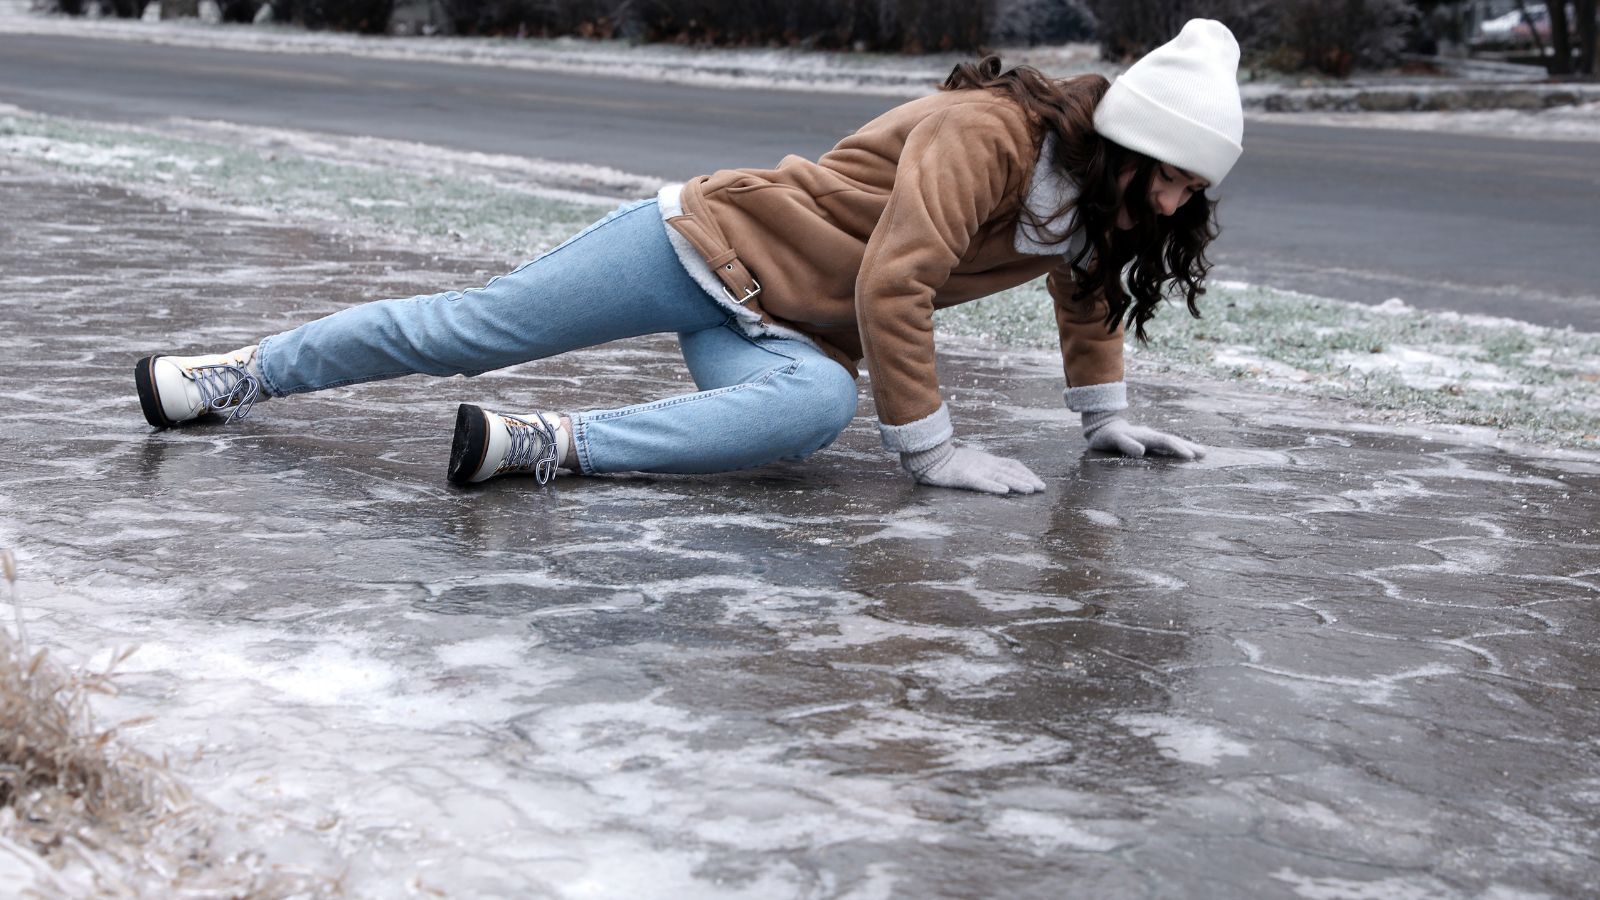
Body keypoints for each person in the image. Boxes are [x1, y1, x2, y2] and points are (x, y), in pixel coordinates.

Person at [134, 19, 1242, 496]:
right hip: (701, 244)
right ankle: (233, 374)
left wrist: (1103, 419)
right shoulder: (987, 135)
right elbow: (896, 280)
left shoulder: (1095, 201)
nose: (1174, 201)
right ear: (1123, 143)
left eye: (1192, 188)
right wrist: (933, 451)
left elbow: (1086, 286)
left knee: (812, 410)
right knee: (471, 331)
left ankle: (541, 445)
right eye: (1169, 175)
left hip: (788, 329)